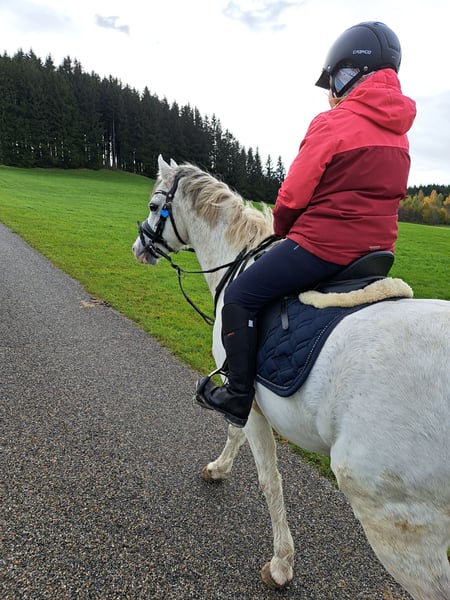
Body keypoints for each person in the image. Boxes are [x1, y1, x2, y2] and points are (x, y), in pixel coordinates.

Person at [195, 21, 416, 428]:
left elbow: (292, 197)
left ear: (351, 72)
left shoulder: (331, 123)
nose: (332, 91)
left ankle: (237, 394)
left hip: (323, 249)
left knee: (240, 295)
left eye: (335, 79)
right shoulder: (400, 134)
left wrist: (282, 228)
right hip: (376, 253)